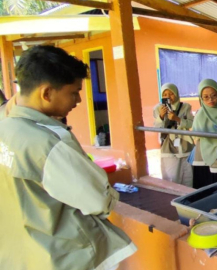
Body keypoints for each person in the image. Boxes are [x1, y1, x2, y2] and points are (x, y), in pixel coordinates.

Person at [0, 45, 136, 269]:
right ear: (46, 93)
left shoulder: (5, 128)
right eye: (73, 92)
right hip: (60, 257)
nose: (79, 100)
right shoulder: (48, 143)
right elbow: (99, 201)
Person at [153, 83, 195, 187]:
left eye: (171, 93)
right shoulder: (158, 108)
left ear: (176, 94)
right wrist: (161, 116)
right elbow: (157, 128)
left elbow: (191, 124)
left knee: (188, 177)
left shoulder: (185, 107)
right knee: (171, 177)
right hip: (169, 147)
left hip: (186, 146)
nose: (168, 97)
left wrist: (177, 119)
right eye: (165, 94)